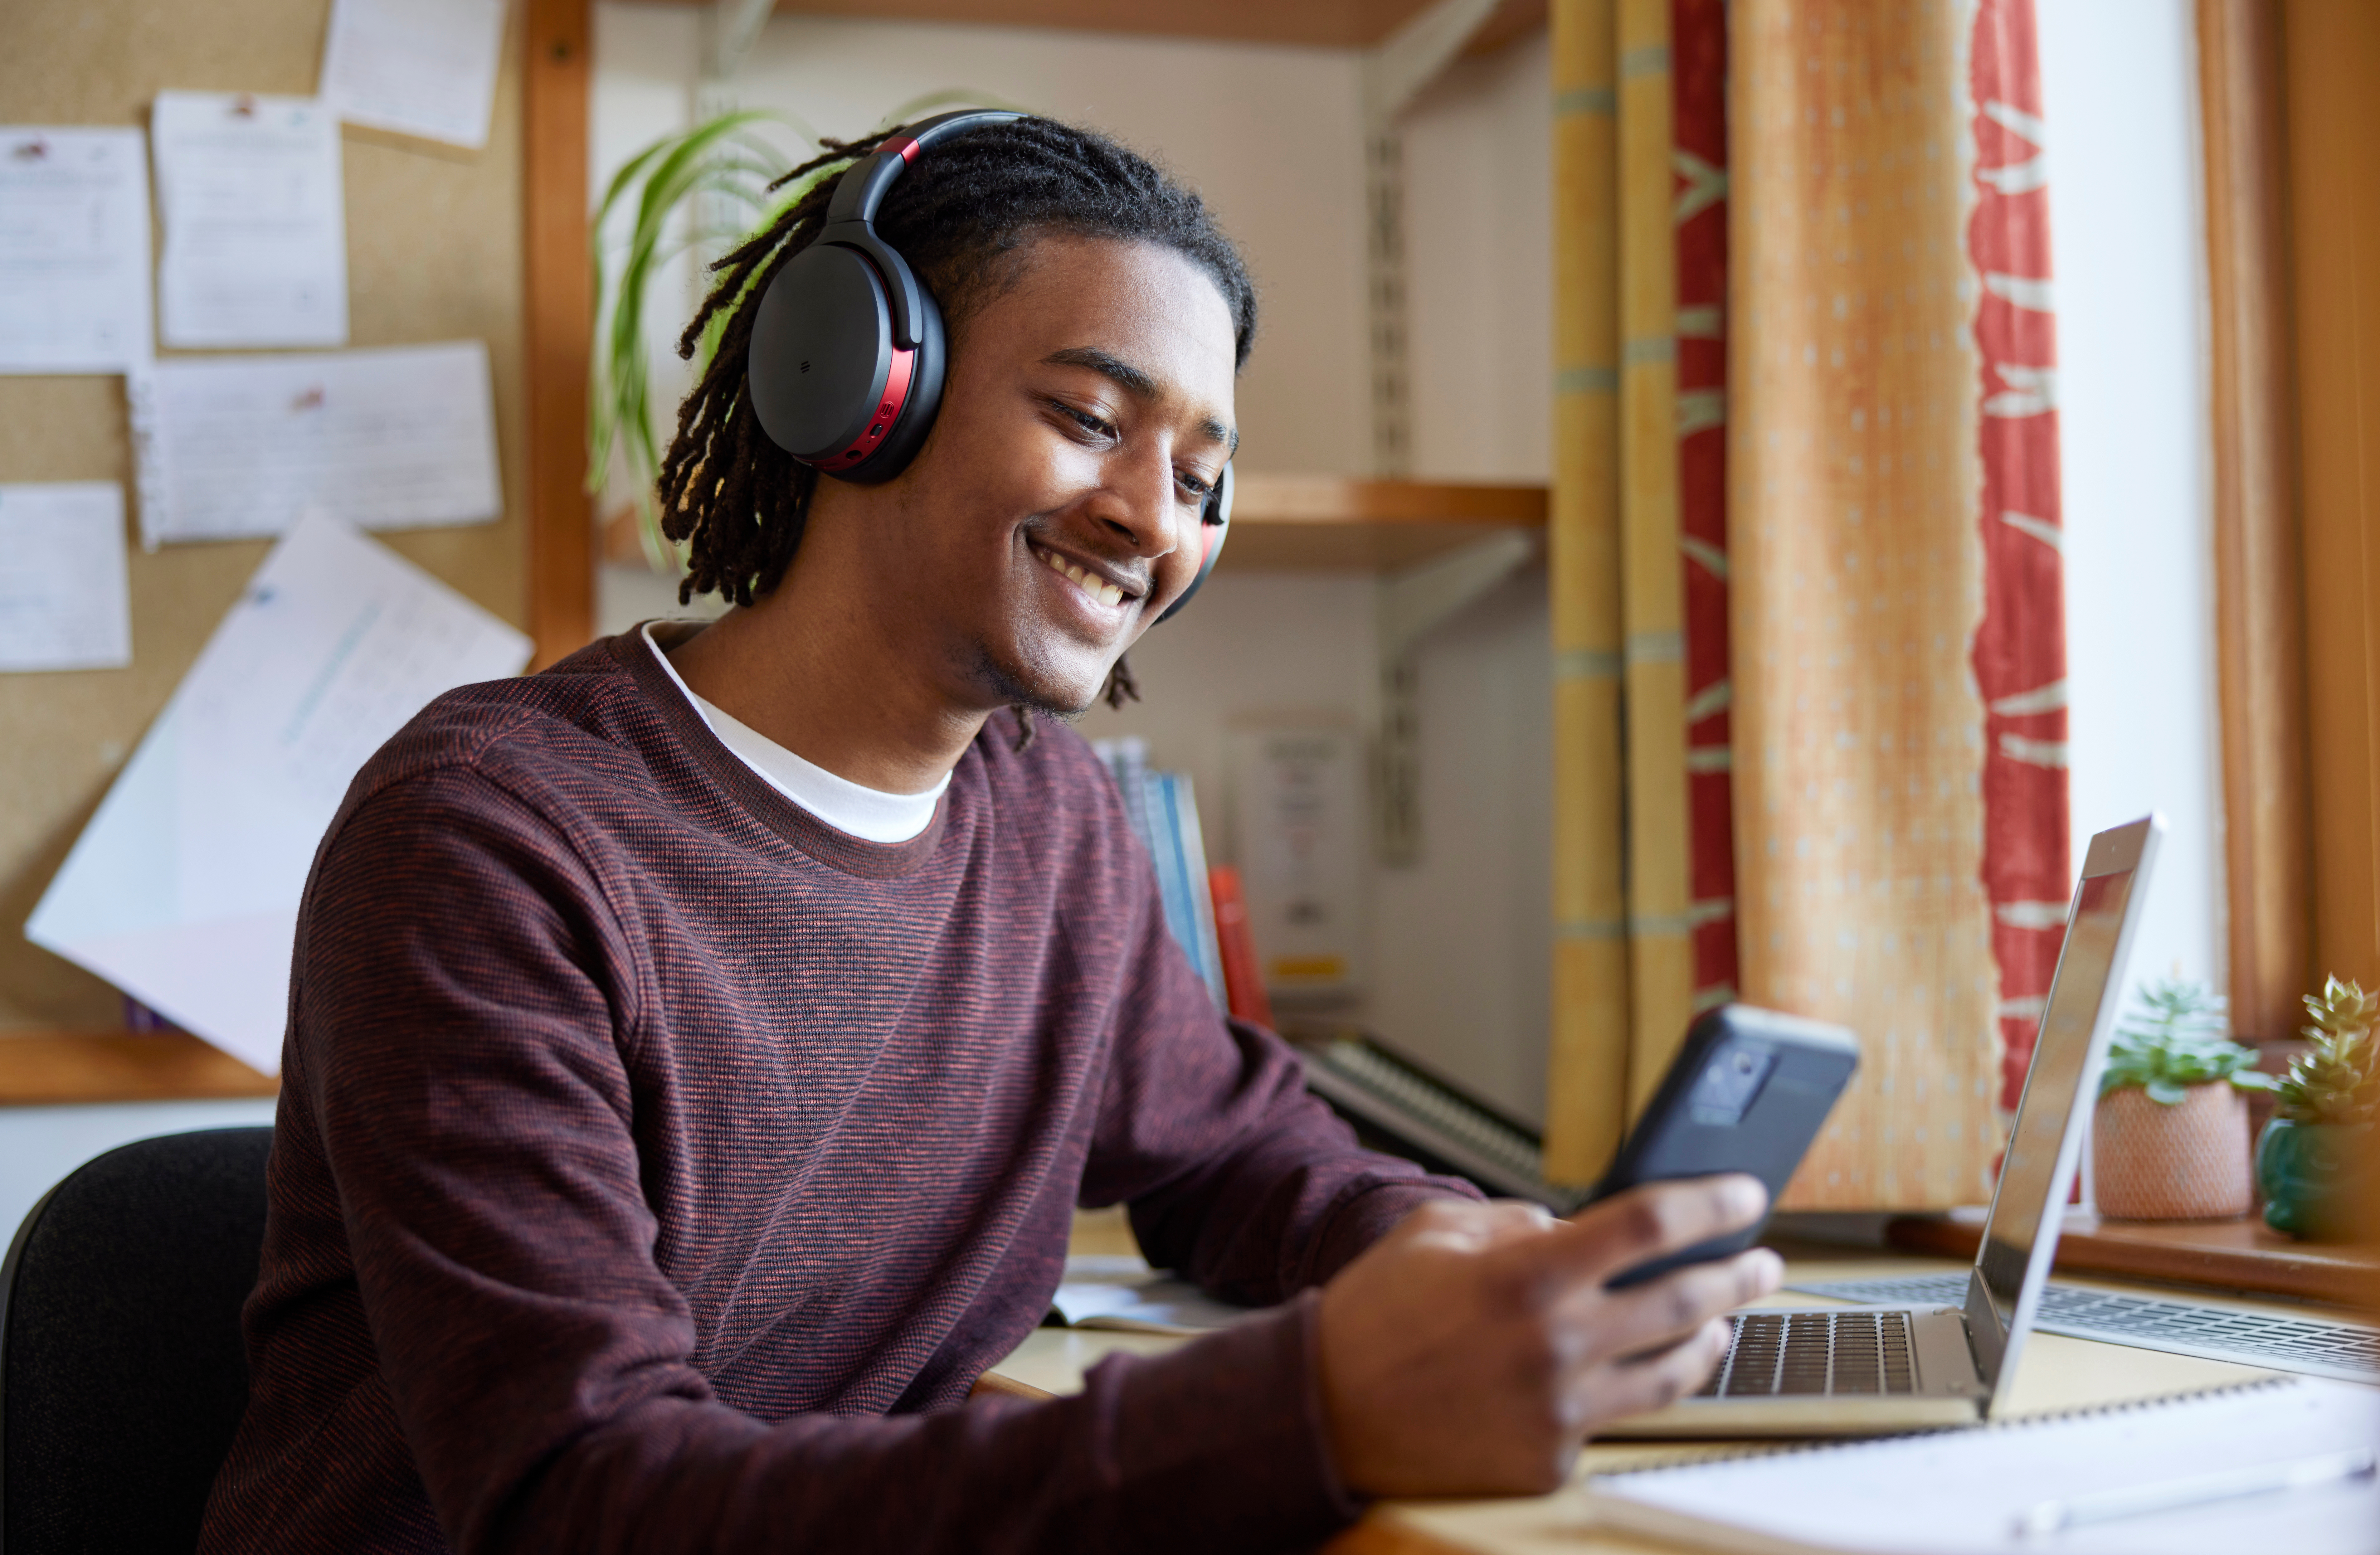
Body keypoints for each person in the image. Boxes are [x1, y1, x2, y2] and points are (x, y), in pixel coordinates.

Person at [199, 114, 1780, 1555]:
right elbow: (582, 1497)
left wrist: (1440, 1248)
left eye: (1203, 478)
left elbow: (1231, 1147)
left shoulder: (1053, 822)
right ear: (859, 385)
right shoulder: (494, 838)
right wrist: (1311, 1410)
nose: (1156, 519)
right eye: (1093, 417)